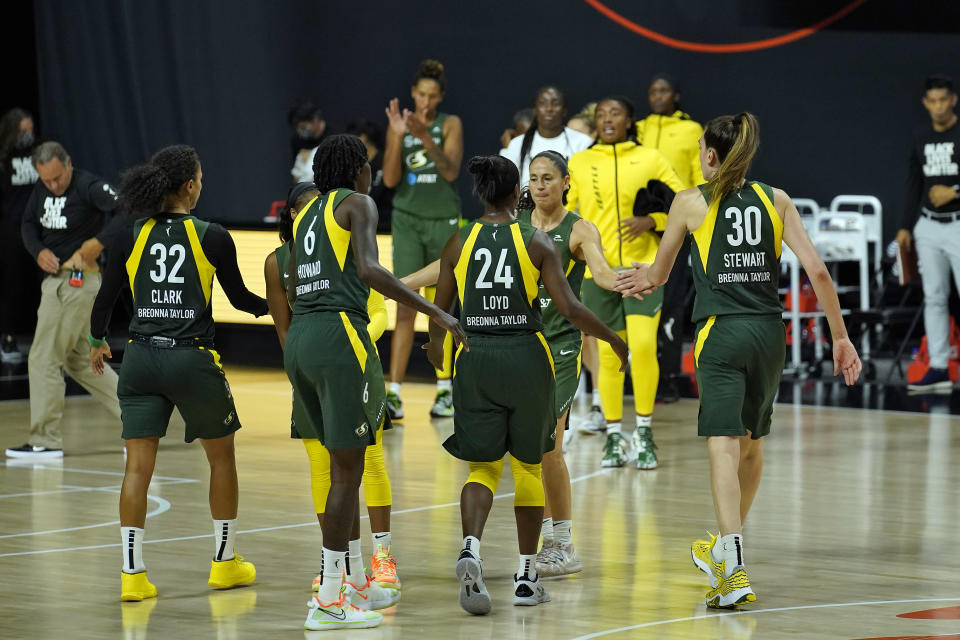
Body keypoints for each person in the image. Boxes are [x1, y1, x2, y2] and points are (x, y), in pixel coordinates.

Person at [615, 112, 862, 608]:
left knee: (722, 447)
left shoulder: (690, 203)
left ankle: (731, 567)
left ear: (709, 155)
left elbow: (660, 275)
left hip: (721, 334)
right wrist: (840, 338)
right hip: (770, 335)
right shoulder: (777, 199)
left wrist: (638, 275)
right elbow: (818, 271)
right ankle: (726, 548)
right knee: (751, 447)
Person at [402, 151, 633, 578]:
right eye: (534, 178)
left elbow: (598, 274)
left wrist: (624, 280)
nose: (540, 185)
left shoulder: (576, 230)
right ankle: (536, 554)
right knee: (530, 456)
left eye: (548, 178)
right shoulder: (520, 230)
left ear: (566, 182)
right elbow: (447, 267)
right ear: (520, 187)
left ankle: (559, 542)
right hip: (523, 349)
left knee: (546, 448)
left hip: (556, 347)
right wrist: (402, 284)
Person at [284, 134, 463, 630]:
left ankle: (348, 582)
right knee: (348, 472)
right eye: (365, 165)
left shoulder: (304, 215)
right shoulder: (357, 204)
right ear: (357, 170)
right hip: (339, 337)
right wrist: (437, 313)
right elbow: (368, 269)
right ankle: (329, 600)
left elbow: (297, 283)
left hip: (301, 338)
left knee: (340, 468)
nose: (370, 175)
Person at [88, 144, 269, 601]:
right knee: (221, 457)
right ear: (189, 186)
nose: (202, 186)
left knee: (137, 468)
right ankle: (224, 564)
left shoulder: (131, 234)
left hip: (141, 358)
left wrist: (95, 343)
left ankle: (133, 576)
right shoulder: (212, 235)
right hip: (191, 358)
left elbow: (105, 301)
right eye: (201, 180)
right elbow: (242, 299)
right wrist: (279, 305)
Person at [263, 181, 401, 608]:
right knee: (326, 471)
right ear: (294, 217)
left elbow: (377, 310)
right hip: (316, 364)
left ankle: (381, 557)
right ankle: (338, 568)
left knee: (368, 461)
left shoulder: (348, 244)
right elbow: (284, 326)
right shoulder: (281, 260)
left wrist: (353, 340)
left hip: (352, 356)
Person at [566, 96, 685, 469]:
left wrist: (653, 222)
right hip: (597, 273)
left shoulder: (650, 157)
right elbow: (570, 213)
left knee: (645, 346)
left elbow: (685, 202)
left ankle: (645, 432)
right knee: (607, 353)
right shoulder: (580, 162)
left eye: (616, 113)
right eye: (601, 114)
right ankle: (615, 437)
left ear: (630, 119)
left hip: (643, 268)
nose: (607, 119)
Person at [5, 142, 123, 458]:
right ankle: (139, 425)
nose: (54, 186)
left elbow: (127, 210)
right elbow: (28, 223)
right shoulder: (41, 191)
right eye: (47, 181)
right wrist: (38, 251)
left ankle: (46, 439)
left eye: (58, 178)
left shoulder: (89, 186)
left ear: (68, 164)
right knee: (82, 360)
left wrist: (95, 244)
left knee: (43, 358)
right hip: (59, 283)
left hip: (76, 283)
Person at [383, 59, 464, 420]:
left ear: (440, 96)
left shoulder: (450, 124)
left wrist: (424, 136)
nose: (426, 101)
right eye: (421, 94)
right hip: (408, 220)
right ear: (413, 94)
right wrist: (399, 136)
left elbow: (450, 170)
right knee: (404, 305)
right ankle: (395, 394)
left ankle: (445, 390)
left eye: (433, 96)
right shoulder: (399, 124)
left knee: (441, 305)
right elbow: (388, 180)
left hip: (443, 220)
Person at [636, 74, 706, 402]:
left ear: (675, 95)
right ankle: (637, 374)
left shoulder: (691, 130)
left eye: (663, 90)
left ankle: (669, 376)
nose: (658, 96)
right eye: (653, 91)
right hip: (639, 223)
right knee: (640, 298)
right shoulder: (639, 128)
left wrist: (697, 216)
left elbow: (696, 176)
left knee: (671, 302)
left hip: (677, 222)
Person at [896, 75, 960, 393]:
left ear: (953, 100)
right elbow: (913, 184)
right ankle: (938, 367)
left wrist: (955, 191)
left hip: (959, 222)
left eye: (942, 100)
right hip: (928, 225)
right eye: (932, 101)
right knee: (934, 298)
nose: (937, 106)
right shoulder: (920, 136)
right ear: (926, 103)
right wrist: (906, 226)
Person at [0, 107, 39, 362]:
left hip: (38, 226)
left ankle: (46, 340)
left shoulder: (40, 152)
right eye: (23, 131)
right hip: (12, 227)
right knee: (13, 284)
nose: (28, 135)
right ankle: (8, 339)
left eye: (30, 130)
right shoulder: (4, 158)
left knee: (44, 283)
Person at [499, 87, 593, 187]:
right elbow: (505, 186)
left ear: (564, 111)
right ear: (535, 110)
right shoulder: (517, 144)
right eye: (543, 103)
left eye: (555, 104)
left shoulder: (583, 142)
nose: (549, 109)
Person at [290, 101, 328, 183]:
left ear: (315, 120)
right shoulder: (297, 141)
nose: (300, 131)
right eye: (297, 128)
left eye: (303, 127)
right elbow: (297, 173)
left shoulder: (333, 138)